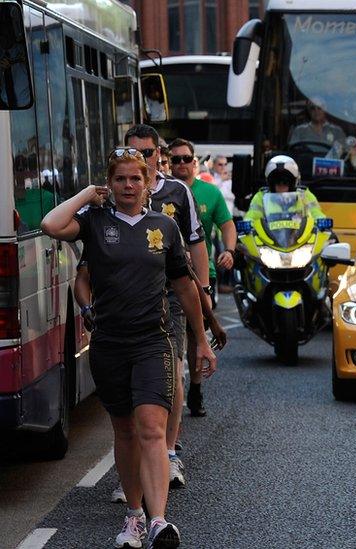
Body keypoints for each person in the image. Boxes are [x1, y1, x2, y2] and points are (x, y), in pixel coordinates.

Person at [40, 148, 217, 549]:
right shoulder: (95, 221)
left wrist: (202, 339)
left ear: (147, 181)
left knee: (152, 430)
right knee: (125, 432)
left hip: (153, 342)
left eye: (135, 179)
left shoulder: (164, 227)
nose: (127, 186)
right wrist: (87, 193)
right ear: (110, 183)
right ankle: (134, 515)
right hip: (109, 344)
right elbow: (51, 225)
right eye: (119, 179)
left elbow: (184, 286)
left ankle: (158, 522)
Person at [125, 124, 209, 490]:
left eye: (147, 153)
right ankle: (136, 465)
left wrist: (202, 291)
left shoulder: (178, 192)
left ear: (159, 154)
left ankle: (169, 453)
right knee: (131, 385)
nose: (141, 160)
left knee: (171, 377)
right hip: (128, 301)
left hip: (170, 298)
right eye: (134, 153)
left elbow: (196, 245)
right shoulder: (118, 190)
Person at [169, 138, 236, 417]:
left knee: (197, 335)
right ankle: (176, 390)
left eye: (186, 159)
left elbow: (227, 224)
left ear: (194, 162)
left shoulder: (209, 193)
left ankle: (194, 387)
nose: (181, 164)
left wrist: (230, 250)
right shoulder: (161, 192)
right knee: (175, 342)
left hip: (200, 277)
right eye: (176, 160)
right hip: (170, 280)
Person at [245, 155, 325, 222]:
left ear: (293, 182)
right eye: (277, 181)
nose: (281, 184)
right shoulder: (261, 197)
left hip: (301, 239)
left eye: (285, 182)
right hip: (267, 239)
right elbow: (251, 216)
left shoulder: (305, 195)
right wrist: (248, 223)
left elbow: (317, 214)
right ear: (271, 183)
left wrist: (321, 221)